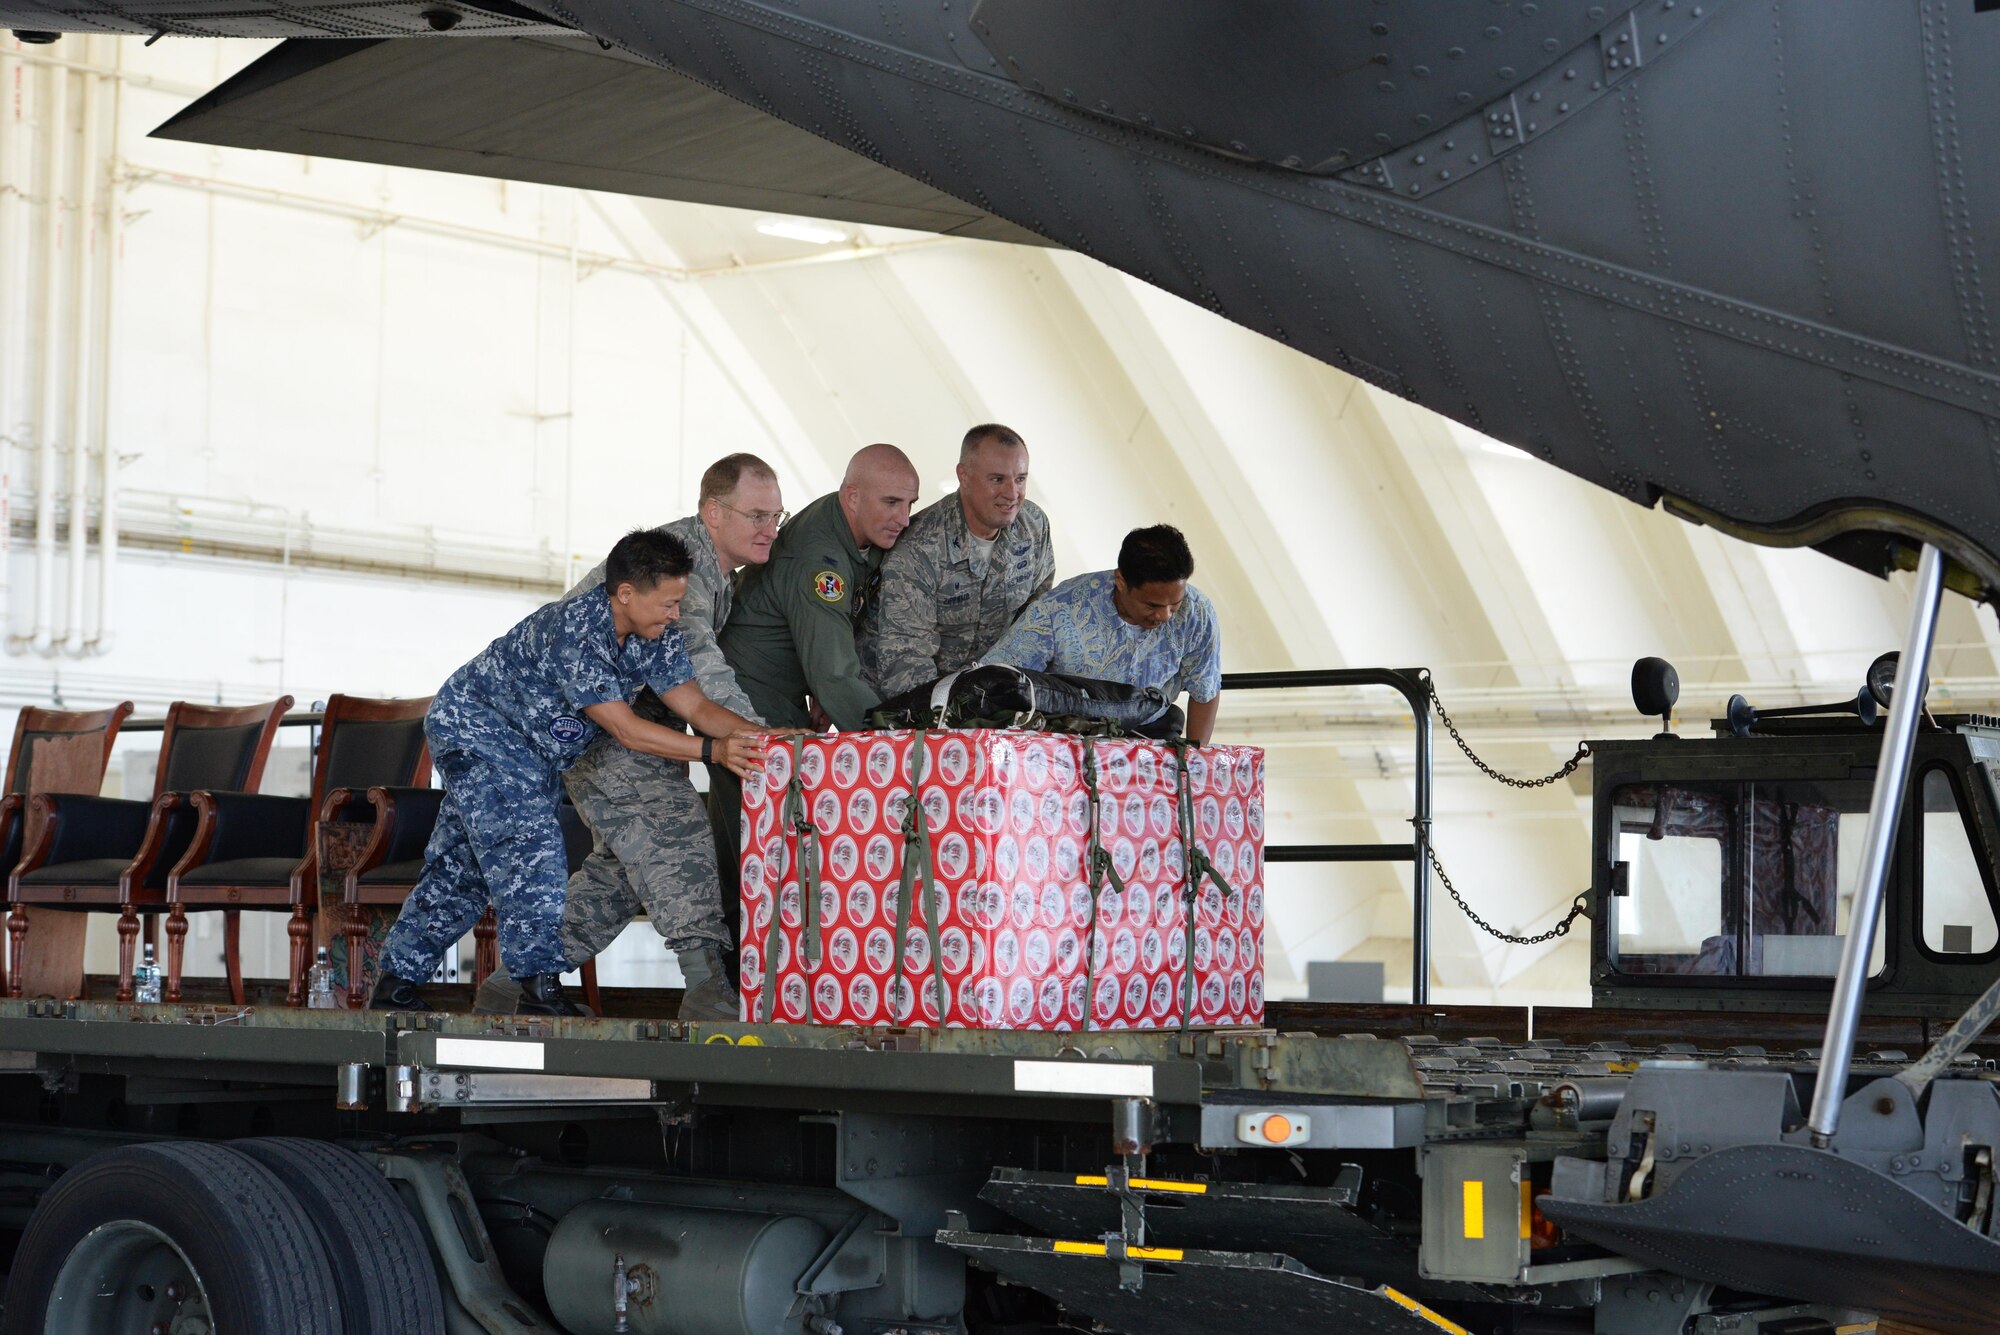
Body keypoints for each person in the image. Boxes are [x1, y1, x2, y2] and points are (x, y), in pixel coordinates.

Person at [370, 528, 766, 1017]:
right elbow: (626, 729)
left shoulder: (652, 634)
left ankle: (392, 986)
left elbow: (697, 705)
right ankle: (538, 995)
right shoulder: (576, 630)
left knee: (461, 871)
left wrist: (765, 739)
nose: (676, 614)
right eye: (667, 604)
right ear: (626, 594)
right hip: (479, 731)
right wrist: (714, 752)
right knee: (532, 852)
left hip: (531, 755)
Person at [475, 455, 784, 1021]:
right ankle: (708, 989)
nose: (770, 528)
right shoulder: (675, 571)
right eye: (758, 515)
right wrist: (764, 740)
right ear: (714, 513)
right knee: (673, 822)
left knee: (623, 870)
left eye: (777, 516)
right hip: (593, 721)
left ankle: (514, 981)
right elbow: (702, 680)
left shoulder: (714, 571)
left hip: (631, 723)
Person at [720, 442, 919, 730]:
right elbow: (834, 675)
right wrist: (893, 745)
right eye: (891, 503)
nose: (903, 518)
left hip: (783, 687)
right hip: (749, 699)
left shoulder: (855, 524)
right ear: (853, 497)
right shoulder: (819, 562)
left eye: (910, 503)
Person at [978, 523, 1223, 744]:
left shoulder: (1197, 613)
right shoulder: (1061, 607)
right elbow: (996, 674)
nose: (1165, 616)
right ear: (1121, 582)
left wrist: (1196, 761)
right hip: (1072, 736)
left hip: (1152, 734)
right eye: (1152, 606)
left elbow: (1205, 691)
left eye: (1175, 604)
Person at [859, 424, 1054, 698]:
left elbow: (1037, 622)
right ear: (964, 476)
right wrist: (951, 722)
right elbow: (906, 661)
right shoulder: (919, 547)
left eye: (1020, 479)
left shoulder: (1033, 527)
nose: (1012, 494)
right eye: (997, 480)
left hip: (987, 702)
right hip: (909, 708)